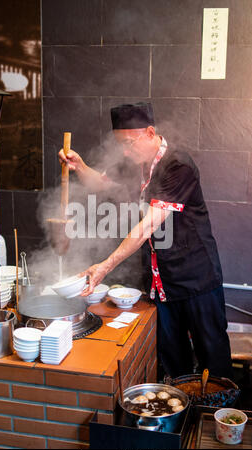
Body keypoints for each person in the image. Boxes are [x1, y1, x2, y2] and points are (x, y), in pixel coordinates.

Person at [59, 102, 233, 380]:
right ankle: (178, 418)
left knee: (213, 360)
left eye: (129, 143)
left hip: (195, 279)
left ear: (150, 133)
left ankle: (221, 421)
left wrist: (104, 266)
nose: (125, 152)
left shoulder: (178, 165)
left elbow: (147, 226)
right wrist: (80, 166)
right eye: (121, 145)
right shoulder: (135, 162)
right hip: (160, 284)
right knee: (173, 361)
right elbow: (102, 183)